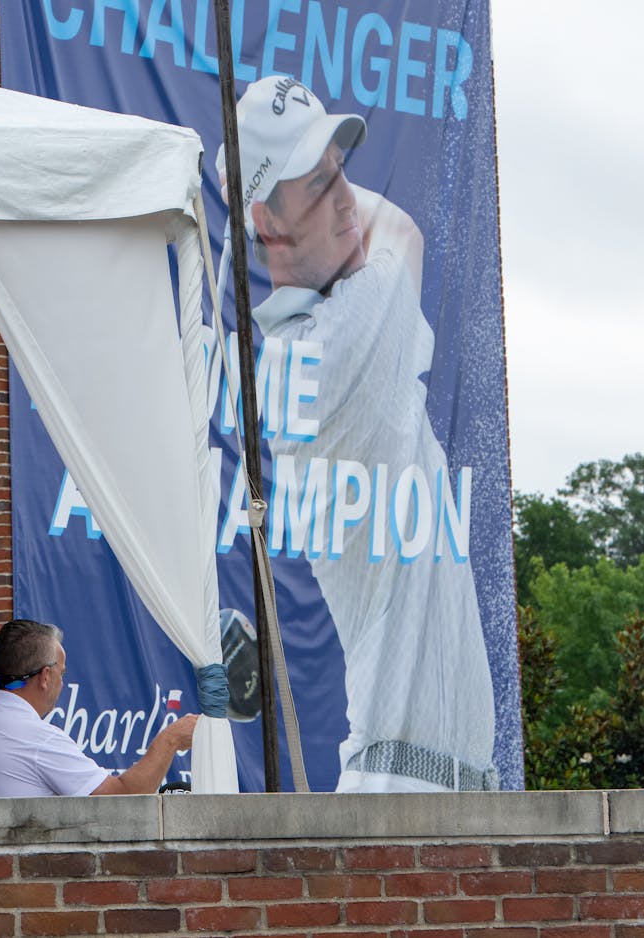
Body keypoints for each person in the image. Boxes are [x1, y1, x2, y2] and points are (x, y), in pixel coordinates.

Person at [223, 74, 495, 792]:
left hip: (420, 777)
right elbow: (401, 227)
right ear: (266, 219)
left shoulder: (310, 338)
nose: (345, 198)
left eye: (342, 172)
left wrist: (269, 176)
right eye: (316, 185)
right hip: (409, 785)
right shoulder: (340, 336)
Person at [0, 618, 198, 798]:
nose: (63, 682)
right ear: (45, 676)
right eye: (62, 672)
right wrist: (171, 739)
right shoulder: (36, 738)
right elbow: (122, 799)